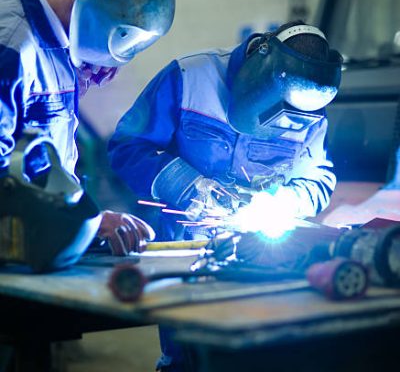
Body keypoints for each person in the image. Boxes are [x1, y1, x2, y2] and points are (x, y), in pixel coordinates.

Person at [108, 20, 343, 371]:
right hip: (185, 253)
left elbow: (318, 177)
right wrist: (188, 187)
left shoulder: (309, 110)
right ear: (259, 71)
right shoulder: (190, 77)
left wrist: (288, 202)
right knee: (188, 358)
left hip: (261, 258)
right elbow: (128, 146)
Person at [0, 0, 175, 255]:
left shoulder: (55, 31)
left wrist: (77, 69)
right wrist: (86, 224)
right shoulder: (12, 45)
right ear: (85, 1)